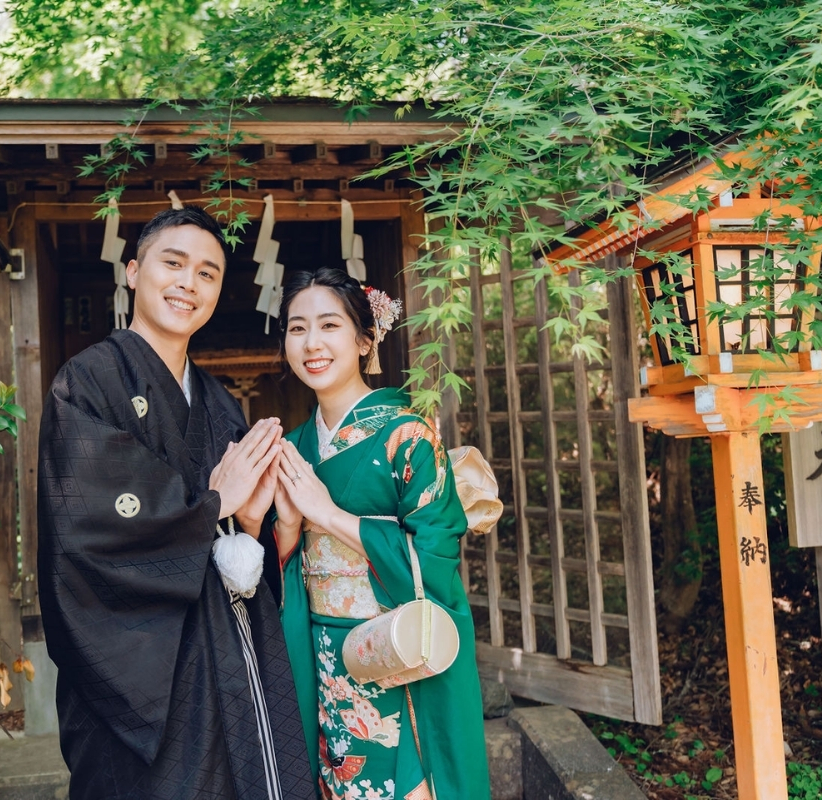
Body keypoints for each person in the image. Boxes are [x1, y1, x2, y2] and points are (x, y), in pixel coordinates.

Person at [36, 207, 314, 799]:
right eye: (173, 263)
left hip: (228, 652)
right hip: (140, 666)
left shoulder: (217, 404)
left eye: (208, 273)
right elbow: (85, 530)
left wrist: (256, 519)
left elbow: (241, 542)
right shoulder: (85, 384)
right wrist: (213, 503)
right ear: (134, 272)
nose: (190, 283)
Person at [270, 267, 490, 800]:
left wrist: (325, 514)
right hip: (324, 650)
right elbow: (282, 566)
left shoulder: (408, 434)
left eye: (329, 326)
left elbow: (434, 556)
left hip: (393, 645)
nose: (312, 343)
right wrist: (289, 527)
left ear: (365, 340)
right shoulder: (296, 444)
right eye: (297, 329)